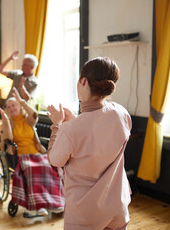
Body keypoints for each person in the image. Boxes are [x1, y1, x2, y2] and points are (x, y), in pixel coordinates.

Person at [47, 57, 132, 230]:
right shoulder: (121, 113)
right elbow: (97, 135)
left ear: (83, 81)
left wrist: (57, 125)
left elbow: (55, 160)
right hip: (118, 207)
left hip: (85, 214)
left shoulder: (70, 130)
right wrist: (76, 121)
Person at [0, 87, 64, 217]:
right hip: (21, 156)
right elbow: (8, 139)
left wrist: (21, 100)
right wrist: (6, 121)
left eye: (14, 105)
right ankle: (38, 206)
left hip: (36, 153)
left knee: (50, 167)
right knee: (31, 169)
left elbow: (34, 114)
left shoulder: (28, 120)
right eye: (9, 106)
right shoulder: (9, 123)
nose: (11, 108)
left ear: (19, 106)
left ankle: (54, 203)